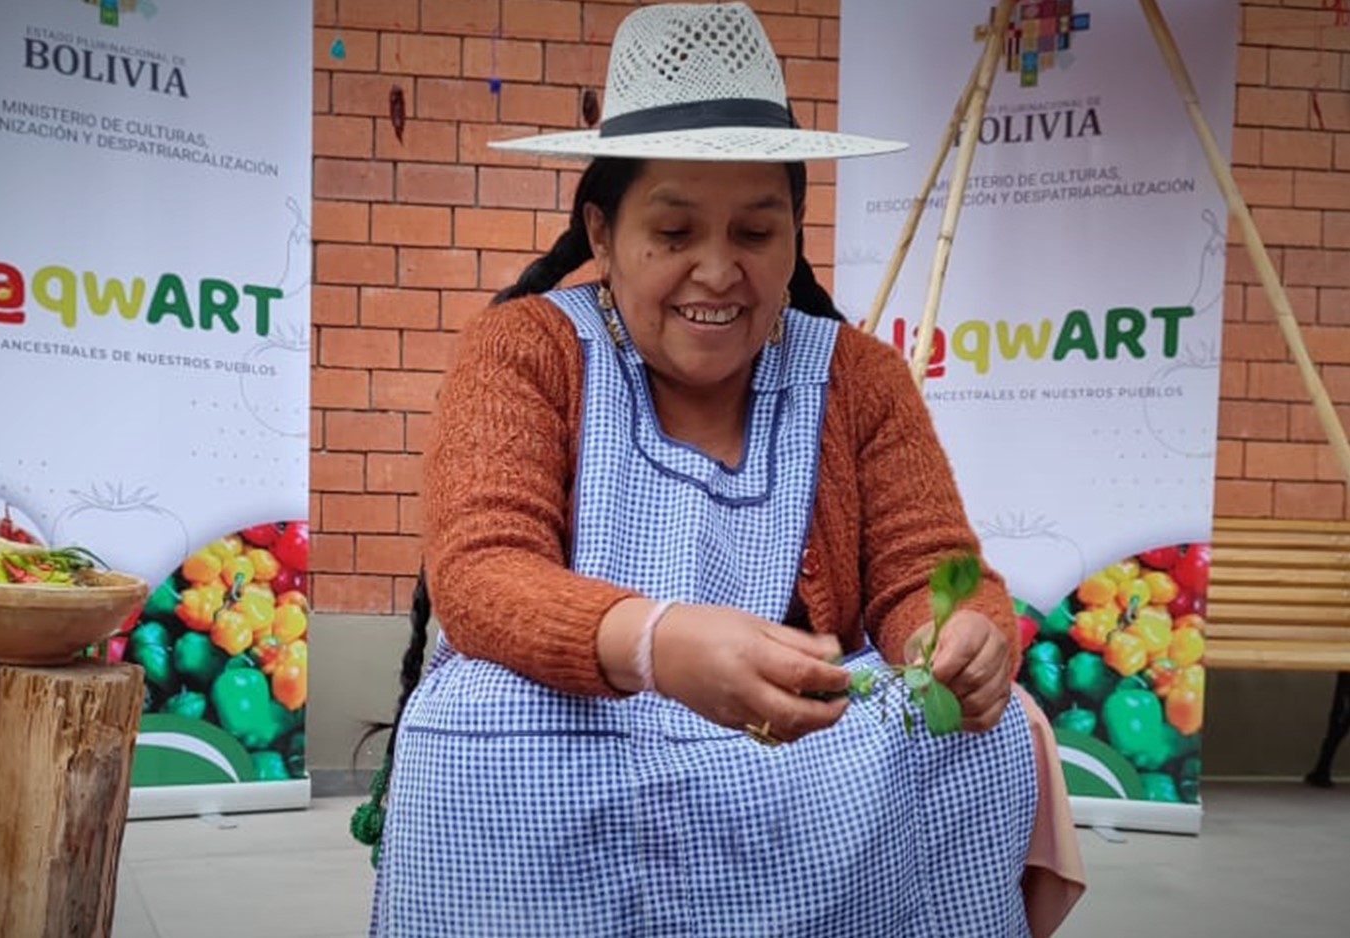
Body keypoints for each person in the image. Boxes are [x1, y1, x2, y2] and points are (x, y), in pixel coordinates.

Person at [356, 3, 1085, 935]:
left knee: (981, 739)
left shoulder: (858, 378)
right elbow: (482, 571)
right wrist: (656, 644)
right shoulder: (522, 350)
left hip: (803, 748)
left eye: (752, 232)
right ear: (602, 231)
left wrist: (960, 633)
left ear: (793, 233)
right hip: (588, 728)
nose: (716, 270)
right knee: (483, 727)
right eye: (672, 233)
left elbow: (925, 567)